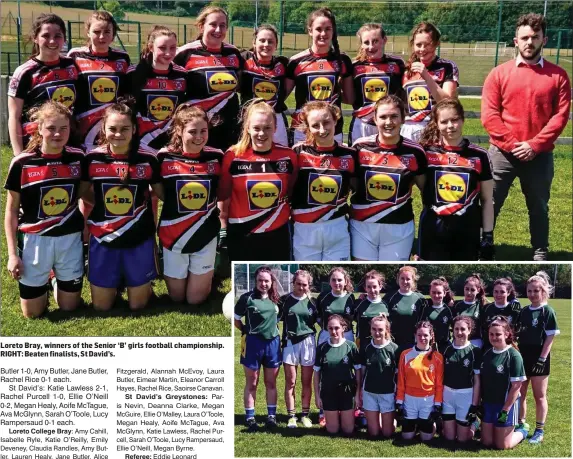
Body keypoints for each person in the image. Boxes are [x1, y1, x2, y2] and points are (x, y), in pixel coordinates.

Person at [481, 13, 571, 261]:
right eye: (524, 38)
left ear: (545, 39)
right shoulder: (498, 74)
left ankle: (540, 250)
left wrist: (534, 145)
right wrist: (512, 145)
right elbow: (489, 116)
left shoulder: (559, 76)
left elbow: (560, 117)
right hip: (501, 154)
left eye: (535, 37)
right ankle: (482, 247)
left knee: (539, 207)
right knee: (489, 202)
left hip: (539, 156)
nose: (529, 42)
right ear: (515, 41)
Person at [4, 101, 88, 318]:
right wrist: (12, 255)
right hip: (35, 240)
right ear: (39, 129)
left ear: (70, 129)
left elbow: (85, 194)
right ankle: (48, 275)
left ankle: (53, 277)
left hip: (69, 238)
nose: (58, 134)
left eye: (63, 128)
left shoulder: (78, 158)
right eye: (51, 128)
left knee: (69, 307)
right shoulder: (22, 163)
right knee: (32, 313)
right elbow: (11, 212)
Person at [84, 99, 162, 311]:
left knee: (138, 306)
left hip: (138, 237)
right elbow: (82, 193)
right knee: (101, 307)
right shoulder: (92, 158)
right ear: (103, 128)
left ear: (134, 129)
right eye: (113, 129)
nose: (118, 134)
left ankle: (139, 282)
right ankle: (115, 281)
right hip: (104, 236)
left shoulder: (148, 158)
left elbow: (161, 193)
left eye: (125, 128)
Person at [156, 106, 224, 304]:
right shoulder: (163, 157)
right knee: (177, 298)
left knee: (195, 300)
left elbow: (222, 191)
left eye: (203, 131)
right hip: (173, 234)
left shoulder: (217, 156)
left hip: (206, 233)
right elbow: (159, 193)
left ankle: (209, 276)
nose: (199, 137)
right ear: (179, 130)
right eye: (192, 132)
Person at [218, 100, 298, 261]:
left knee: (276, 280)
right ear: (247, 128)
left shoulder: (288, 156)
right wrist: (223, 226)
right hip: (242, 230)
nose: (262, 133)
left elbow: (291, 190)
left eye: (267, 128)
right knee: (242, 281)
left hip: (277, 230)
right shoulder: (233, 156)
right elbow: (223, 194)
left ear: (276, 127)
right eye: (256, 128)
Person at [351, 95, 426, 261]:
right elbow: (354, 184)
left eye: (394, 116)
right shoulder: (360, 147)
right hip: (363, 224)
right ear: (375, 120)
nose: (388, 122)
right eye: (383, 117)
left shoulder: (415, 152)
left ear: (403, 119)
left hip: (399, 225)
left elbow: (425, 192)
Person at [418, 98, 494, 261]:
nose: (450, 126)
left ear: (462, 120)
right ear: (436, 124)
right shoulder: (425, 153)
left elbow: (487, 200)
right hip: (433, 227)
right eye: (444, 122)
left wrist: (488, 235)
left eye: (455, 120)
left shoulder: (480, 155)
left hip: (467, 229)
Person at [291, 102, 356, 261]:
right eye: (315, 125)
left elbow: (358, 189)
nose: (322, 129)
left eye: (326, 122)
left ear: (336, 120)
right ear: (307, 127)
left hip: (337, 226)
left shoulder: (350, 154)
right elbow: (288, 188)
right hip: (304, 227)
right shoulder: (297, 153)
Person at [174, 5, 244, 152]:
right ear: (201, 26)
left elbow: (241, 82)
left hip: (230, 126)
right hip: (198, 129)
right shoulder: (184, 53)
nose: (218, 30)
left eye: (222, 26)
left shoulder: (233, 52)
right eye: (213, 24)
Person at [8, 13, 79, 156]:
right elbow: (14, 117)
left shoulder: (72, 65)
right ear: (35, 38)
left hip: (68, 142)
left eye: (58, 36)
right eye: (46, 35)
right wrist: (18, 155)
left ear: (64, 39)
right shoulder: (24, 72)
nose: (52, 41)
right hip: (36, 145)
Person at [286, 8, 354, 145]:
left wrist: (332, 97)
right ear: (310, 30)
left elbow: (350, 98)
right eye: (318, 29)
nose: (323, 33)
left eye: (328, 29)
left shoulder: (343, 61)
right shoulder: (296, 61)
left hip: (333, 128)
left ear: (333, 31)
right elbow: (280, 96)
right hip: (302, 129)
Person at [67, 10, 130, 151]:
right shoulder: (75, 55)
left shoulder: (122, 57)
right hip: (83, 126)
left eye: (107, 32)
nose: (102, 36)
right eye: (96, 31)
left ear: (113, 34)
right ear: (88, 32)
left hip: (112, 127)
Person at [234, 266, 282, 432]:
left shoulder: (277, 299)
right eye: (260, 280)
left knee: (271, 382)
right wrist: (246, 331)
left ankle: (271, 417)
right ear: (255, 281)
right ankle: (250, 417)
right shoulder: (247, 298)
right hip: (253, 344)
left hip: (273, 344)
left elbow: (279, 317)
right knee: (252, 383)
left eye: (266, 280)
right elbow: (236, 319)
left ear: (271, 282)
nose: (263, 283)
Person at [517, 271, 560, 444]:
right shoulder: (524, 310)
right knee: (520, 393)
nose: (533, 294)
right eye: (529, 291)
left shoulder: (547, 311)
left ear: (543, 291)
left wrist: (542, 358)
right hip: (523, 355)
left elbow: (550, 337)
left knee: (539, 395)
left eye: (536, 290)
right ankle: (521, 425)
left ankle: (539, 430)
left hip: (539, 356)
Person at [129, 26, 188, 152]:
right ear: (151, 47)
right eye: (162, 48)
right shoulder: (134, 73)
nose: (168, 53)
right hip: (141, 142)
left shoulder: (183, 75)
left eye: (173, 48)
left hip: (171, 142)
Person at [349, 23, 406, 145]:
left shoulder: (397, 64)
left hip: (389, 123)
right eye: (366, 42)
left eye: (375, 41)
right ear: (361, 44)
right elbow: (346, 95)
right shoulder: (354, 66)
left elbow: (404, 93)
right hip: (362, 125)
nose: (371, 46)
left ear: (384, 40)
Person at [401, 22, 458, 142]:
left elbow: (448, 102)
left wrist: (426, 76)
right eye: (418, 45)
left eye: (427, 44)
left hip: (434, 127)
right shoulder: (405, 69)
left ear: (437, 43)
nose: (422, 49)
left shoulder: (447, 66)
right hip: (408, 128)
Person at [481, 316, 528, 449]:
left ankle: (523, 431)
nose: (494, 337)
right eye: (491, 334)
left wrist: (505, 410)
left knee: (502, 445)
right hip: (489, 404)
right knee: (486, 442)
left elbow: (516, 387)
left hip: (506, 406)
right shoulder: (487, 353)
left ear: (507, 334)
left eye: (498, 334)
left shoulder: (513, 355)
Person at [279, 270, 318, 428]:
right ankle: (291, 416)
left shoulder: (313, 302)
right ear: (293, 283)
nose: (301, 287)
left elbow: (321, 320)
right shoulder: (284, 301)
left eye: (305, 285)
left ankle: (305, 415)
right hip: (290, 343)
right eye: (298, 284)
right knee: (291, 382)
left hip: (308, 342)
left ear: (309, 285)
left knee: (306, 381)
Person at [240, 25, 289, 146]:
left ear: (276, 45)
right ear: (254, 43)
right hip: (250, 118)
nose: (266, 44)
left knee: (280, 154)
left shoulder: (283, 64)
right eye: (262, 40)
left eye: (270, 41)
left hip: (275, 118)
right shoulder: (243, 59)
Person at [313, 314, 361, 436]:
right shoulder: (322, 348)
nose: (333, 331)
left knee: (348, 430)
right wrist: (317, 396)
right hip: (328, 392)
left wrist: (357, 394)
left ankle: (351, 417)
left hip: (347, 392)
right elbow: (317, 374)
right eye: (330, 328)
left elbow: (358, 372)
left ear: (343, 328)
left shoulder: (351, 346)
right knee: (332, 430)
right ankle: (332, 418)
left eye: (336, 328)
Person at [396, 321, 444, 441]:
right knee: (407, 437)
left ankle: (433, 423)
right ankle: (415, 423)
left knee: (426, 438)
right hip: (409, 398)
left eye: (426, 335)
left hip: (428, 399)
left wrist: (437, 404)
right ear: (415, 335)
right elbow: (401, 379)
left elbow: (439, 383)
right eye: (419, 335)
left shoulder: (438, 357)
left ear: (431, 336)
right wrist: (399, 400)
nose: (422, 338)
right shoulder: (405, 354)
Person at [441, 316, 481, 443]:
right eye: (456, 329)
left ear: (469, 330)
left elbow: (477, 381)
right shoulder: (446, 349)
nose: (459, 333)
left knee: (463, 439)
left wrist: (474, 405)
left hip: (466, 395)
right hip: (447, 394)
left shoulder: (475, 351)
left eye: (463, 329)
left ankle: (475, 423)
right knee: (449, 437)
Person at [358, 315, 399, 438]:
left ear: (386, 330)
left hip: (387, 393)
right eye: (374, 329)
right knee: (374, 433)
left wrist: (398, 392)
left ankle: (392, 421)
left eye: (380, 330)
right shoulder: (366, 347)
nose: (377, 332)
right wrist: (360, 390)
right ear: (370, 330)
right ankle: (378, 419)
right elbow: (362, 372)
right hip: (369, 392)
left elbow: (398, 374)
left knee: (387, 433)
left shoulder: (394, 349)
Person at [384, 266, 426, 349]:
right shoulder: (389, 297)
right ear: (398, 279)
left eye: (408, 279)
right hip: (392, 342)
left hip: (413, 343)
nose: (405, 281)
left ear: (413, 280)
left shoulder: (420, 299)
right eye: (402, 278)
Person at [481, 277, 522, 350]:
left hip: (508, 348)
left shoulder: (514, 309)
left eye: (502, 292)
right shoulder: (486, 308)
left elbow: (518, 330)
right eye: (496, 291)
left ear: (508, 293)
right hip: (489, 347)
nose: (498, 294)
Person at [354, 270, 388, 353]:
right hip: (363, 346)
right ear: (365, 288)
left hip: (381, 346)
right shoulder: (359, 304)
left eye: (374, 286)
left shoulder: (386, 304)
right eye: (369, 287)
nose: (372, 290)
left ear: (380, 286)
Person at [418, 277, 455, 352]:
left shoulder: (448, 310)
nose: (436, 295)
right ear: (430, 292)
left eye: (439, 293)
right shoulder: (425, 309)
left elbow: (454, 328)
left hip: (444, 347)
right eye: (433, 292)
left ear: (444, 293)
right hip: (427, 346)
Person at [453, 274, 488, 348]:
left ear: (478, 290)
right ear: (463, 288)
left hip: (475, 342)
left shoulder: (482, 305)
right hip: (458, 340)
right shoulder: (456, 305)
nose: (469, 292)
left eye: (472, 290)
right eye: (467, 289)